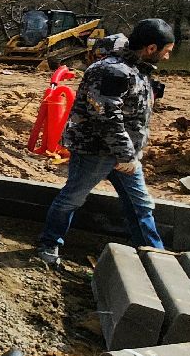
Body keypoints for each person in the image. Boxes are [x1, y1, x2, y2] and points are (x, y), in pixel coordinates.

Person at [36, 18, 175, 270]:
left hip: (126, 155)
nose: (167, 58)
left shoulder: (138, 68)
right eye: (166, 52)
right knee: (71, 199)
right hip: (95, 152)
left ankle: (155, 256)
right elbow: (107, 118)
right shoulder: (111, 71)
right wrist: (125, 156)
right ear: (151, 48)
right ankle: (49, 244)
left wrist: (131, 153)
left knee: (141, 205)